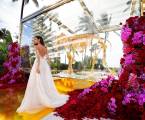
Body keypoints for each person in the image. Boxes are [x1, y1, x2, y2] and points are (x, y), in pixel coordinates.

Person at [16, 36, 69, 113]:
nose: (34, 40)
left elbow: (38, 58)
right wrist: (48, 66)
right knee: (45, 81)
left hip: (39, 64)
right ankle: (44, 96)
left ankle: (40, 98)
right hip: (45, 65)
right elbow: (48, 58)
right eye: (33, 39)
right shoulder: (45, 47)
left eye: (35, 39)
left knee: (37, 81)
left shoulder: (36, 46)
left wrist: (37, 67)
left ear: (39, 40)